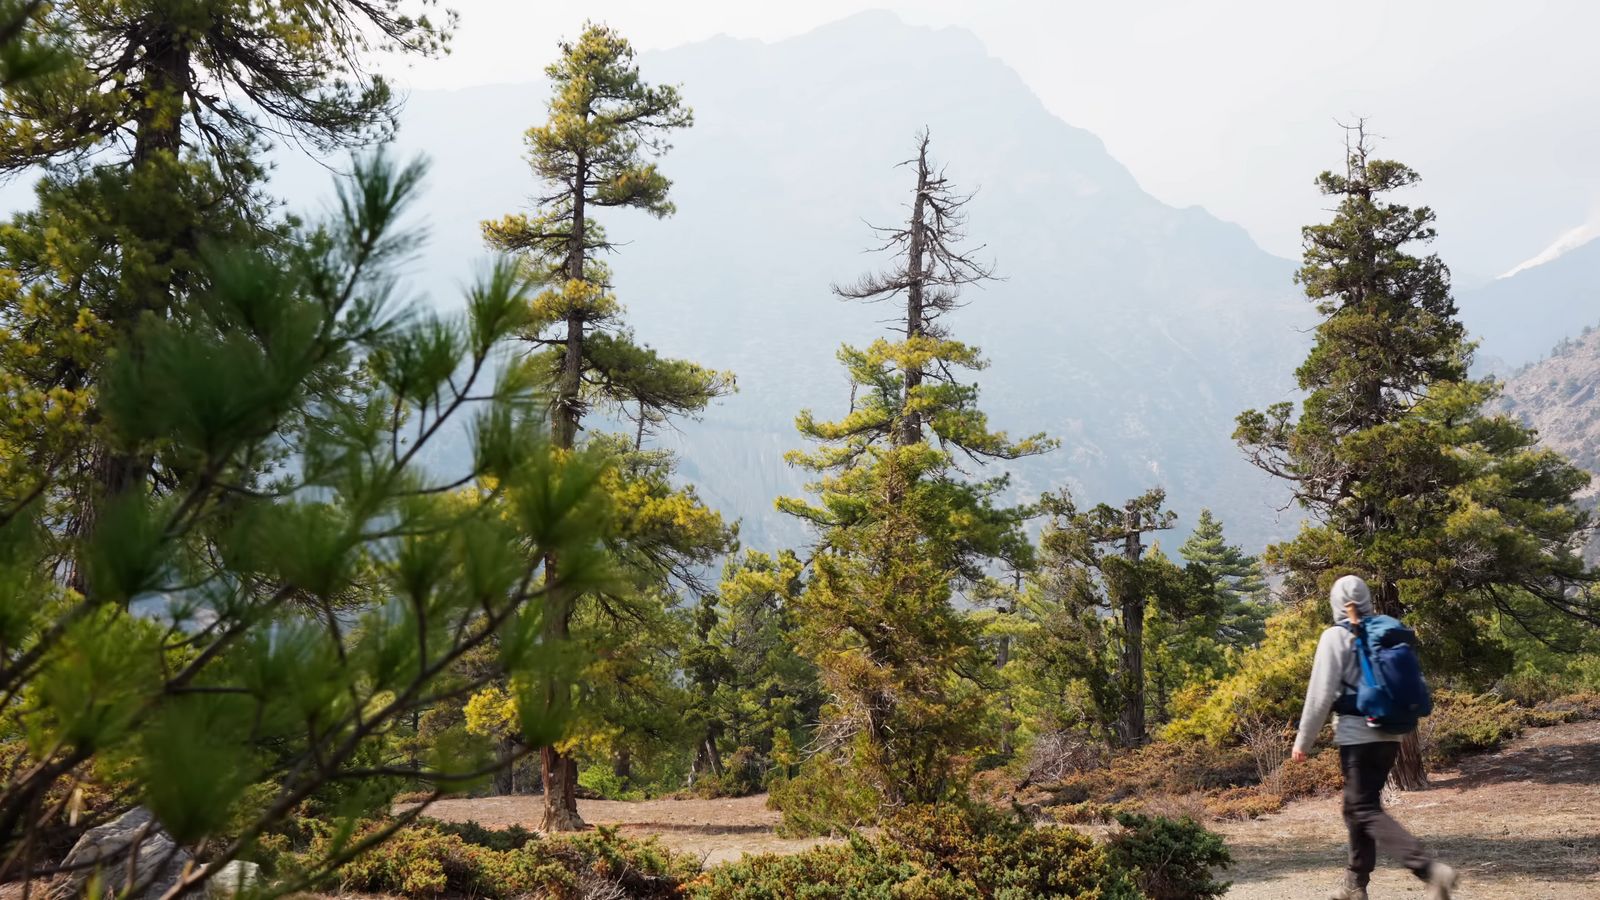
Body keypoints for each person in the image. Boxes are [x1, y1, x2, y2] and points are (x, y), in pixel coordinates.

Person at [1291, 574, 1459, 900]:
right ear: (1367, 601)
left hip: (1357, 736)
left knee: (1363, 808)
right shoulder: (1386, 631)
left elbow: (1319, 695)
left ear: (1336, 602)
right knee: (1357, 807)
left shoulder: (1335, 636)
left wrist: (1303, 740)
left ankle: (1429, 869)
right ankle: (1355, 884)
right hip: (1391, 737)